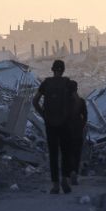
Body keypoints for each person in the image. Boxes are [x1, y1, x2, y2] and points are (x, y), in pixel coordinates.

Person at [33, 60, 75, 194]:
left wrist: (43, 115)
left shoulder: (46, 83)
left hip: (50, 123)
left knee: (53, 154)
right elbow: (76, 101)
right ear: (63, 70)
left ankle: (55, 184)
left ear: (52, 69)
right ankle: (65, 178)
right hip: (65, 123)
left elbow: (35, 101)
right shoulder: (68, 83)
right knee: (66, 152)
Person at [68, 81, 88, 186]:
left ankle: (70, 172)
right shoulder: (81, 101)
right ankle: (75, 171)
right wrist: (81, 126)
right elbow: (85, 116)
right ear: (76, 89)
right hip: (78, 131)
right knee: (77, 153)